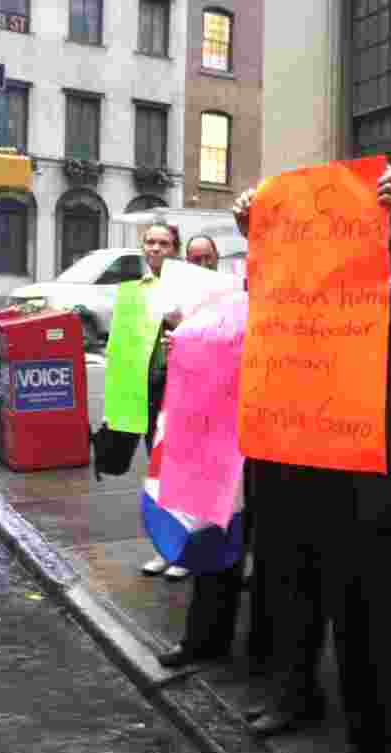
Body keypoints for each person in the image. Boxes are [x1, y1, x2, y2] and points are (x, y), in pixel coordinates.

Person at [231, 170, 391, 753]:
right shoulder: (345, 278)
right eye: (382, 199)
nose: (383, 204)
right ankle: (366, 745)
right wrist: (260, 235)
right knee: (353, 633)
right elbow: (280, 308)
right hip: (333, 484)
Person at [156, 233, 265, 669]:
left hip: (276, 449)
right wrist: (183, 348)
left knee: (273, 564)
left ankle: (265, 660)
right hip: (224, 443)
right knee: (213, 543)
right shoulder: (224, 303)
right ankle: (202, 641)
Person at [138, 222, 190, 581]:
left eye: (164, 243)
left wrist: (179, 323)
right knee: (156, 470)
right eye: (150, 242)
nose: (156, 248)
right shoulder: (136, 289)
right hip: (149, 386)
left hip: (183, 386)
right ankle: (163, 547)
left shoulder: (188, 287)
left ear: (175, 249)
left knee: (182, 469)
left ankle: (184, 550)